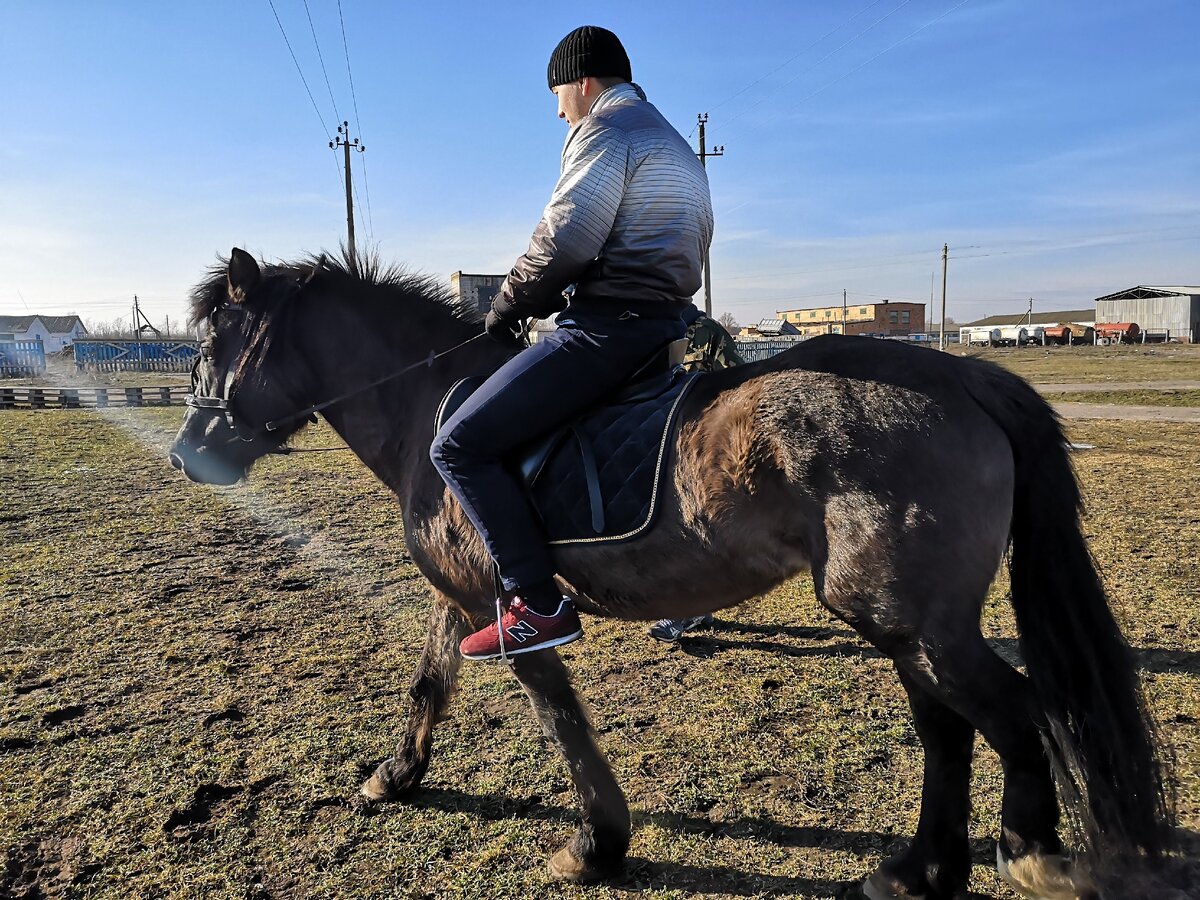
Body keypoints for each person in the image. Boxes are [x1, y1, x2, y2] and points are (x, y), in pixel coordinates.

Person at [430, 26, 714, 661]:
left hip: (608, 331)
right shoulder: (672, 142)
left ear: (583, 83)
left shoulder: (605, 133)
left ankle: (538, 603)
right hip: (666, 327)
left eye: (559, 94)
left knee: (459, 445)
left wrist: (507, 304)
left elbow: (567, 236)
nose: (558, 109)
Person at [647, 305, 745, 642]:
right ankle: (697, 606)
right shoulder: (650, 328)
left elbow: (740, 383)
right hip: (658, 442)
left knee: (690, 526)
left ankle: (685, 609)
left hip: (702, 444)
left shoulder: (707, 332)